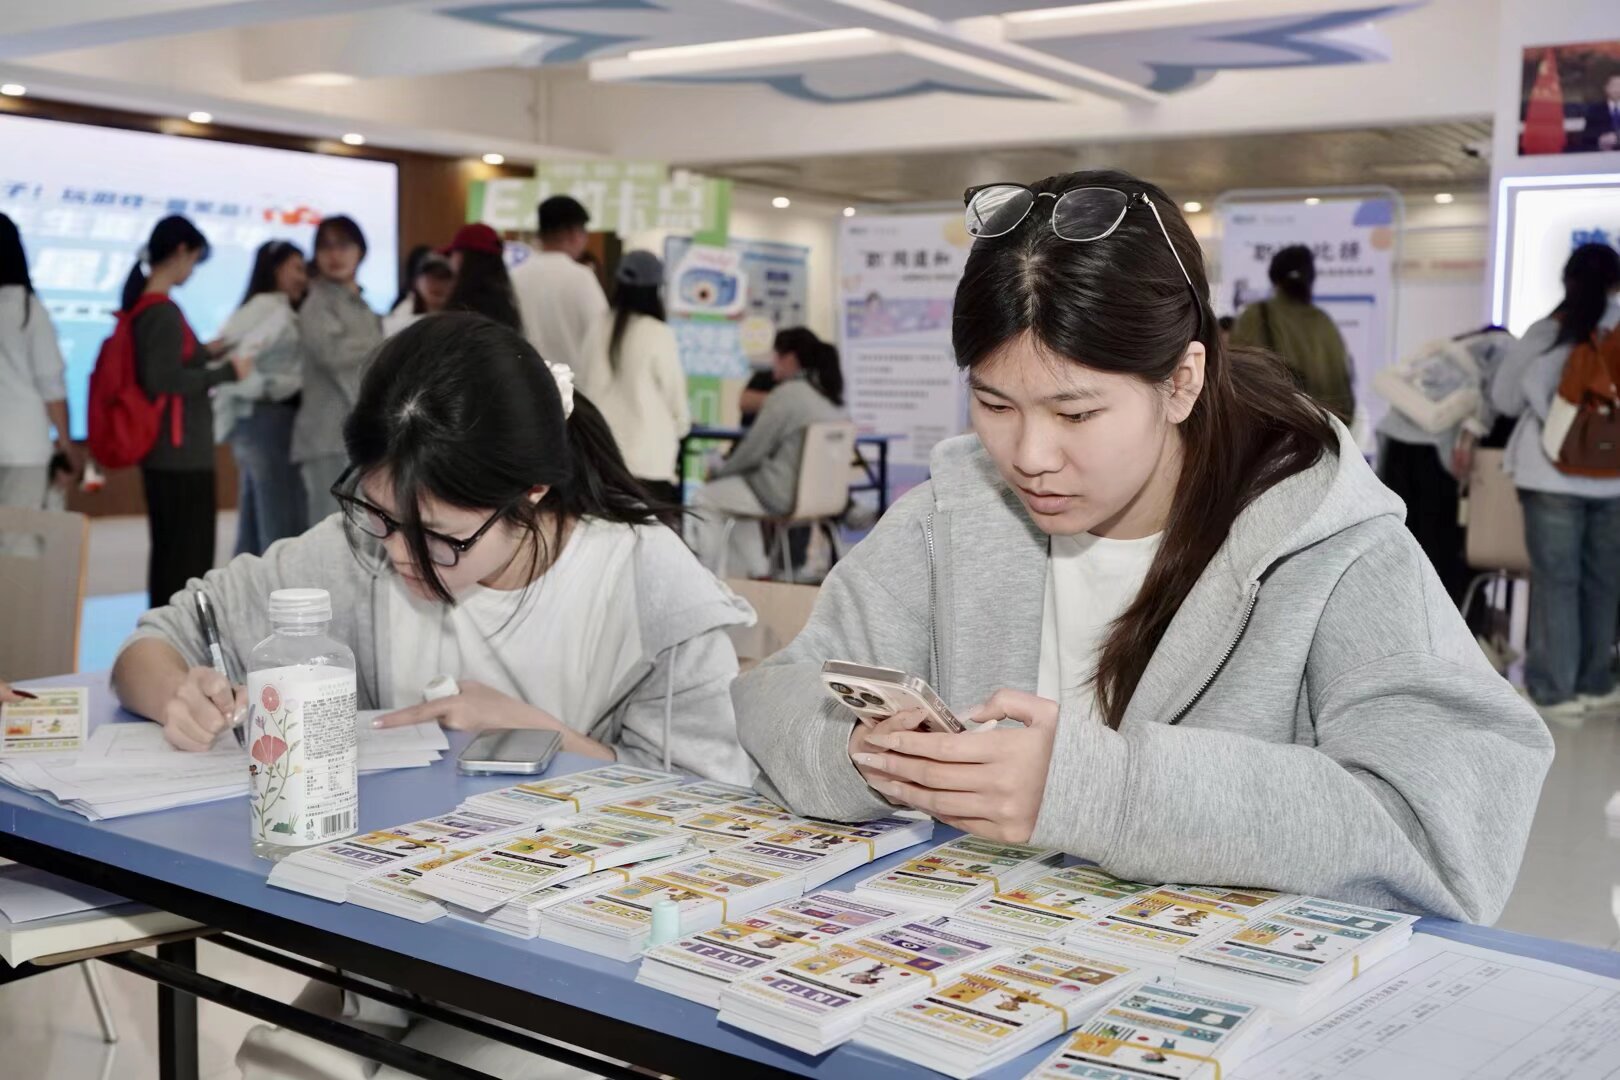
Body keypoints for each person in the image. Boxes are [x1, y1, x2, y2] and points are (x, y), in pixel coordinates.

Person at [735, 170, 1552, 924]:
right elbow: (780, 694)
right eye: (994, 404)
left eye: (1077, 413)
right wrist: (861, 753)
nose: (1030, 455)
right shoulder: (951, 513)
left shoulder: (1329, 544)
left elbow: (1444, 834)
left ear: (1181, 382)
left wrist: (1102, 792)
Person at [112, 313, 751, 781]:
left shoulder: (647, 584)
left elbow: (711, 798)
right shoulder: (356, 552)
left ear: (531, 491)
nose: (400, 554)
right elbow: (159, 639)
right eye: (380, 515)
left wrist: (540, 735)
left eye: (441, 538)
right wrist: (177, 695)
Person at [1491, 243, 1620, 721]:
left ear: (1567, 280)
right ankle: (1597, 681)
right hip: (1614, 478)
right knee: (1604, 581)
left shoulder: (1548, 332)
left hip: (1550, 475)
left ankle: (1554, 690)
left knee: (1556, 582)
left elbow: (1504, 399)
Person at [125, 216, 251, 608]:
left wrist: (204, 353)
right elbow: (163, 379)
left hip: (169, 450)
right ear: (181, 251)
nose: (192, 271)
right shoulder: (161, 311)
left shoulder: (148, 307)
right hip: (180, 452)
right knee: (186, 557)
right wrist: (225, 371)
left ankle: (165, 632)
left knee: (172, 552)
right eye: (194, 260)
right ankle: (175, 635)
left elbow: (166, 368)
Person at [687, 327, 846, 578]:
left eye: (776, 355)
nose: (773, 362)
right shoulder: (829, 397)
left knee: (705, 497)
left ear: (789, 358)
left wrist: (720, 473)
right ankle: (753, 573)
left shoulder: (787, 394)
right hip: (822, 497)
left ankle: (705, 577)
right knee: (735, 497)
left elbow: (753, 450)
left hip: (780, 494)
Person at [1376, 327, 1514, 605]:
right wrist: (1475, 431)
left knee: (1401, 540)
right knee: (1438, 544)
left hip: (1397, 442)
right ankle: (1447, 618)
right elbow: (1502, 397)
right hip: (1434, 450)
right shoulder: (1506, 347)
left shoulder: (1445, 352)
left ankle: (1401, 613)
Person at [213, 240, 309, 557]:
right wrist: (273, 386)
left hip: (257, 421)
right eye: (297, 268)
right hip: (268, 419)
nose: (304, 277)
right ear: (276, 269)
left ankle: (249, 587)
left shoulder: (261, 308)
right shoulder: (271, 309)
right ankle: (274, 587)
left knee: (257, 518)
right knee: (278, 521)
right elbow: (237, 362)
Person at [575, 250, 689, 505]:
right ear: (656, 288)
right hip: (649, 461)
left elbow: (582, 384)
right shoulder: (658, 332)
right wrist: (681, 427)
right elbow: (675, 399)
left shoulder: (597, 326)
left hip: (602, 457)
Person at [293, 215, 382, 526]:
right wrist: (384, 344)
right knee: (329, 534)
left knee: (360, 532)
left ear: (360, 251)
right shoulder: (317, 303)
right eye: (325, 247)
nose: (335, 255)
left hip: (357, 435)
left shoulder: (360, 303)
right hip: (326, 437)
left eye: (343, 245)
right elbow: (332, 355)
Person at [0, 212, 77, 515]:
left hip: (21, 446)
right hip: (24, 446)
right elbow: (51, 386)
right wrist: (66, 445)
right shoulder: (28, 311)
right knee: (18, 535)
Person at [1230, 245, 1355, 425]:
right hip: (1326, 431)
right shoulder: (1325, 323)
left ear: (1274, 278)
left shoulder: (1255, 315)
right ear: (1311, 279)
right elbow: (1344, 396)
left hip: (1275, 432)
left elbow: (1238, 382)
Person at [508, 195, 607, 370]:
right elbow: (601, 335)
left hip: (526, 379)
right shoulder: (581, 277)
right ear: (573, 233)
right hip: (573, 382)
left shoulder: (515, 276)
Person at [442, 223, 522, 332]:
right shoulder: (504, 302)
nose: (450, 260)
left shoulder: (462, 307)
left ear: (462, 257)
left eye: (452, 253)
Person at [382, 245, 453, 336]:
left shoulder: (460, 317)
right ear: (416, 281)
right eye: (430, 278)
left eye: (443, 277)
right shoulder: (398, 318)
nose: (438, 285)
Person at [1578, 72, 1620, 153]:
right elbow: (1587, 136)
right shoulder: (1595, 110)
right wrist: (1600, 139)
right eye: (1614, 85)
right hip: (1603, 154)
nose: (1617, 89)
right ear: (1606, 88)